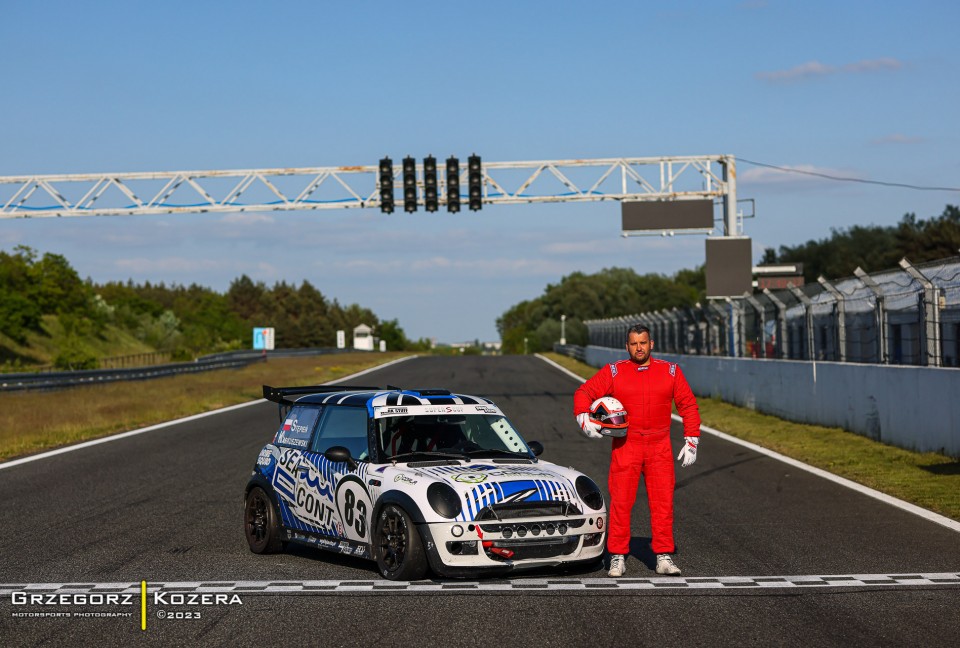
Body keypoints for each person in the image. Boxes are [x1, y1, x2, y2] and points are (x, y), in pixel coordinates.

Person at [573, 324, 701, 577]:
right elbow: (584, 391)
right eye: (634, 343)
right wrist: (582, 417)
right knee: (621, 503)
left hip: (659, 445)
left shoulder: (671, 371)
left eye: (643, 342)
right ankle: (617, 557)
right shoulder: (614, 371)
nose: (639, 347)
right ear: (627, 346)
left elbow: (688, 404)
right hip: (626, 445)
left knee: (663, 504)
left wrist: (692, 439)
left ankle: (663, 556)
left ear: (651, 344)